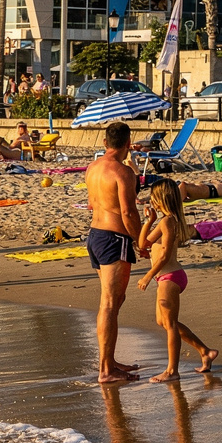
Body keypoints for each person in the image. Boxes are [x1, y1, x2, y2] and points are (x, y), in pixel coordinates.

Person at [137, 180, 217, 382]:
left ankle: (172, 371)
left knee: (170, 323)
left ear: (161, 198)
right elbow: (143, 245)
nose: (150, 200)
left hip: (170, 277)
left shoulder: (169, 221)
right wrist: (148, 221)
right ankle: (205, 351)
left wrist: (147, 276)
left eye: (153, 196)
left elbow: (163, 256)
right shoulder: (163, 220)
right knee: (162, 321)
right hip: (165, 277)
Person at [85, 121, 144, 384]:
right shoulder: (123, 173)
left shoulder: (92, 167)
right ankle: (105, 370)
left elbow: (91, 202)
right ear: (128, 144)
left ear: (105, 143)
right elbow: (128, 212)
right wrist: (140, 240)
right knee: (109, 303)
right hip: (114, 238)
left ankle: (109, 361)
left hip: (95, 235)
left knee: (113, 302)